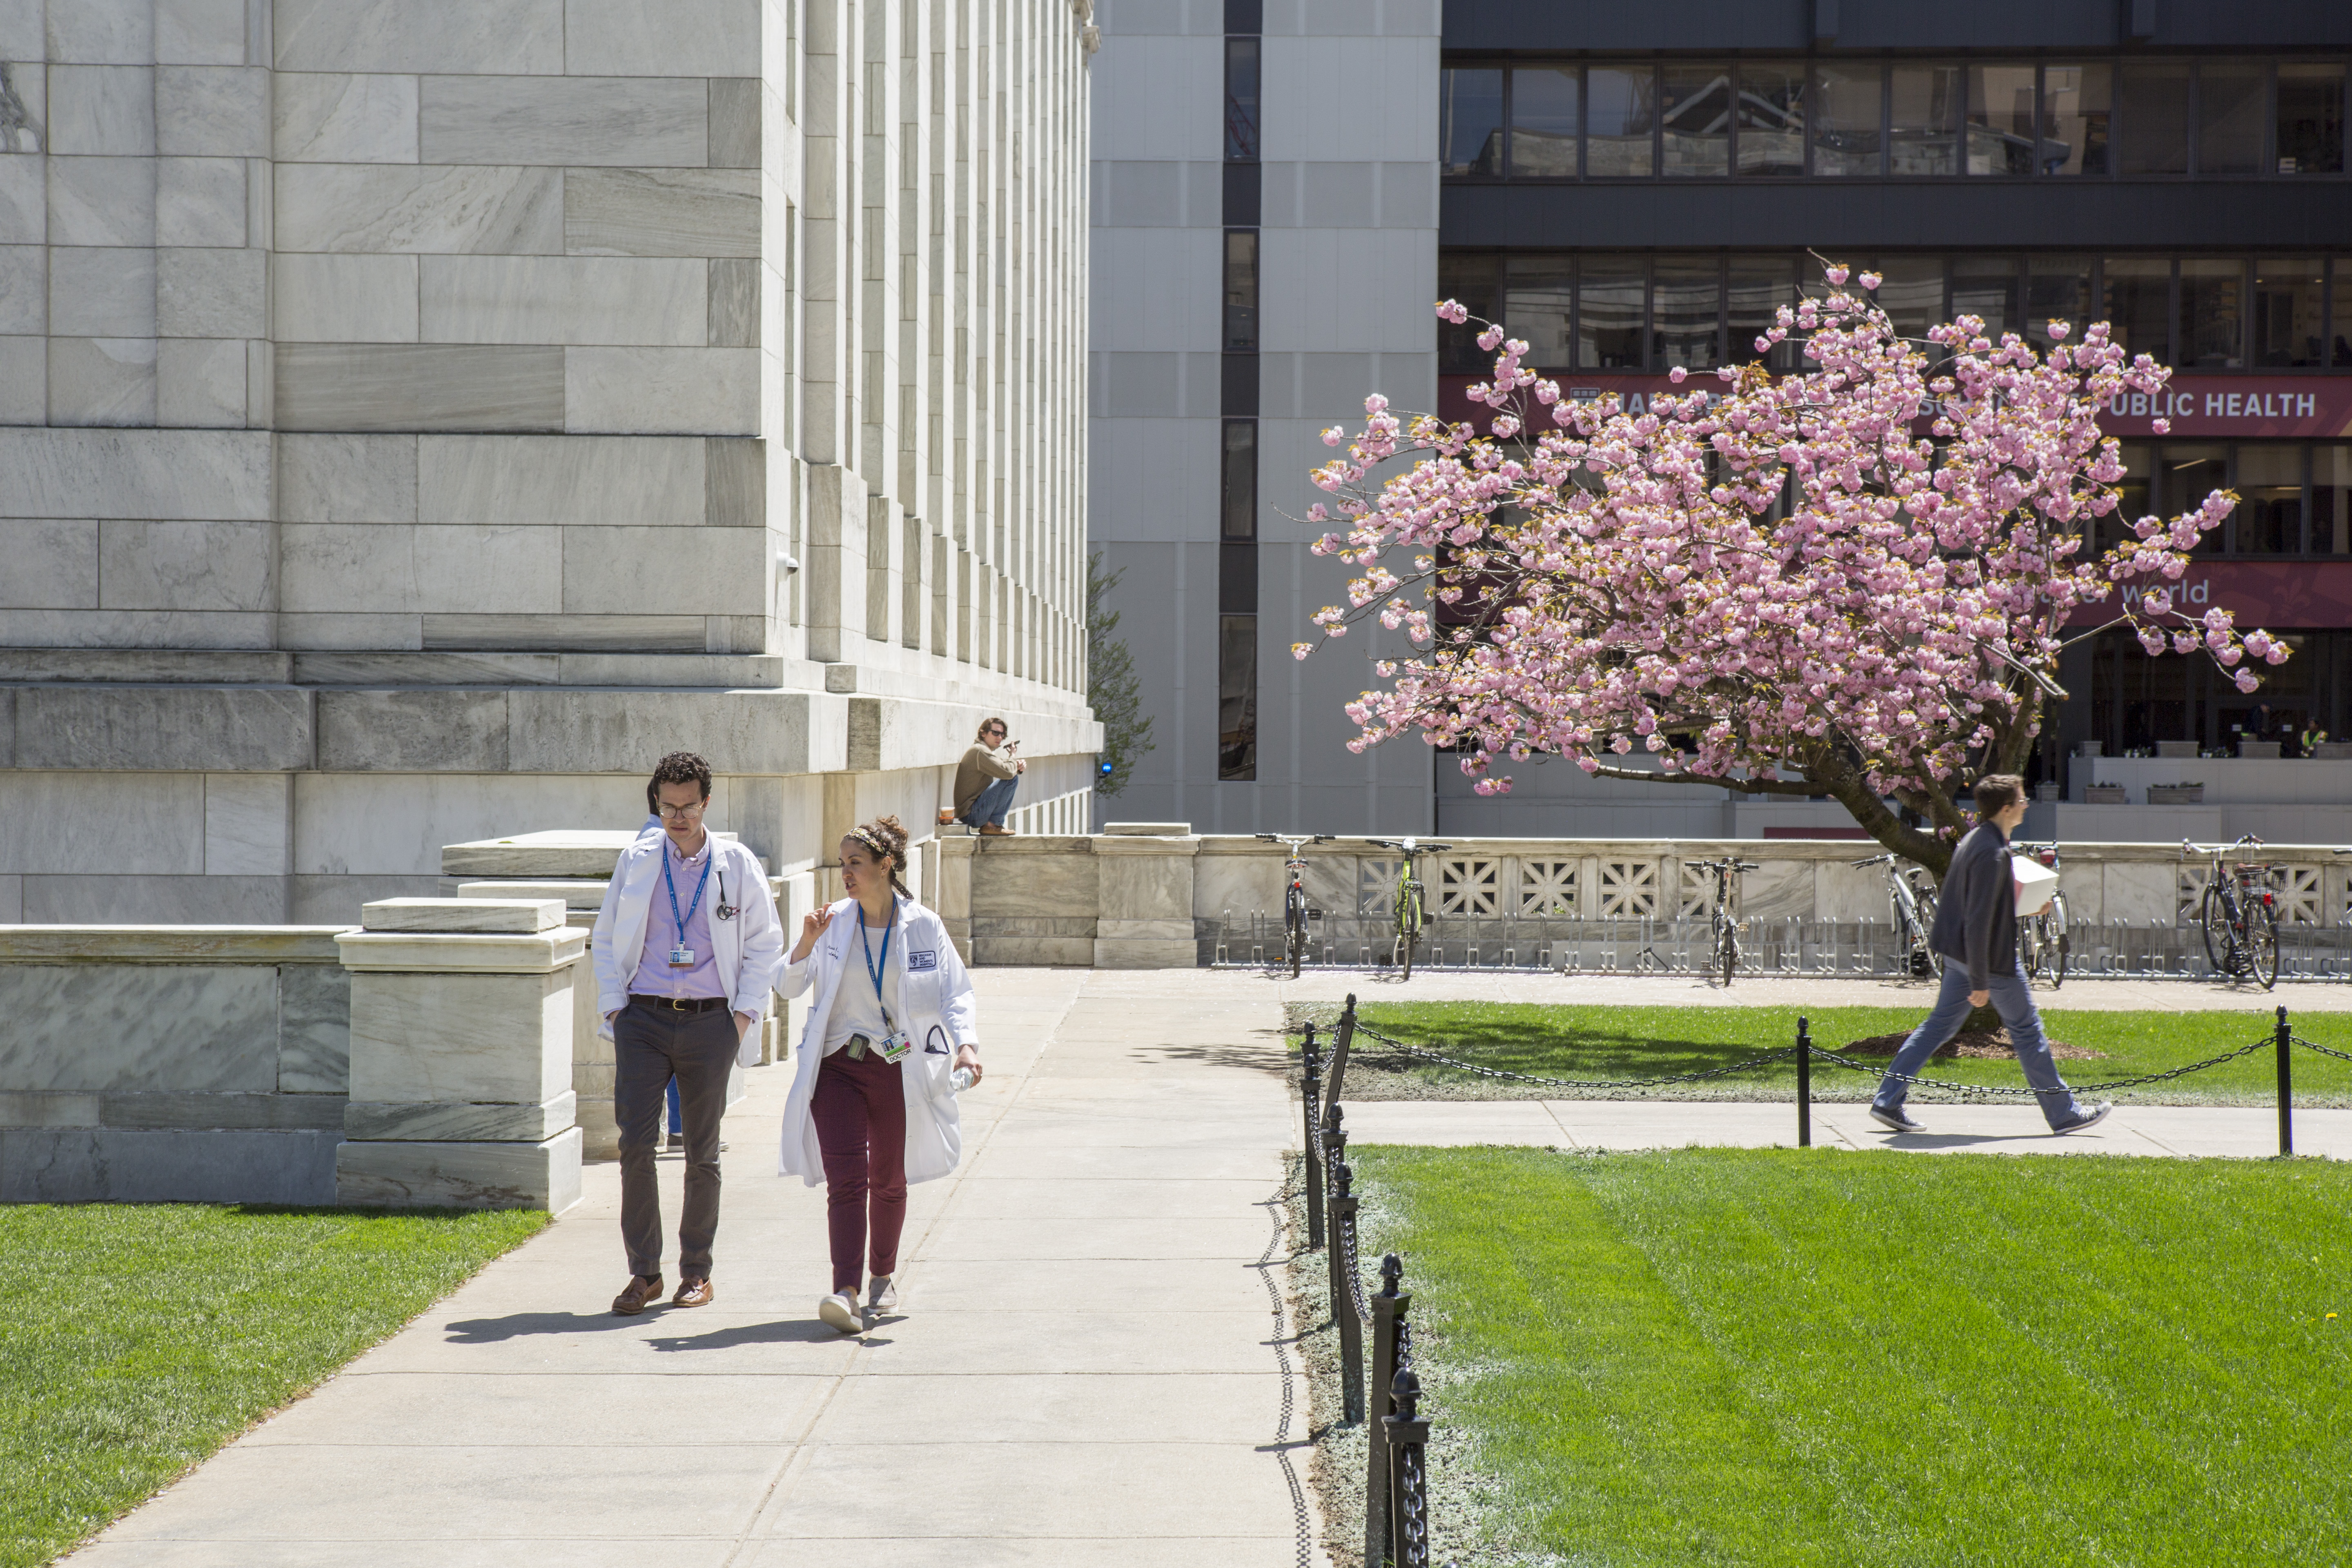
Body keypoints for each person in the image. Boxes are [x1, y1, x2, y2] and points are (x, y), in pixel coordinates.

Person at [590, 752, 785, 1315]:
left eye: (689, 807)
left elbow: (764, 944)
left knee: (702, 1152)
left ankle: (696, 1272)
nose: (679, 818)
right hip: (644, 1019)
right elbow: (606, 939)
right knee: (634, 1146)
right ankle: (644, 1274)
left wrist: (743, 1016)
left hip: (710, 1021)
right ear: (657, 804)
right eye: (669, 807)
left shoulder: (737, 863)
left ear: (706, 803)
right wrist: (615, 1009)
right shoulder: (638, 859)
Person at [777, 815, 982, 1332]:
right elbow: (786, 986)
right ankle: (845, 1289)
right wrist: (804, 943)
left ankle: (882, 1277)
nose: (845, 873)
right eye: (842, 863)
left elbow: (955, 992)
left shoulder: (924, 926)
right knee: (846, 1182)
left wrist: (967, 1047)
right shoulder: (832, 922)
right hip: (837, 1065)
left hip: (898, 1067)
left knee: (888, 1179)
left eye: (856, 864)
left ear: (886, 866)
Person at [1870, 774, 2110, 1137]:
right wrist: (1981, 981)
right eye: (2022, 799)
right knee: (2028, 1031)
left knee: (1939, 1027)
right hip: (1989, 960)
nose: (2026, 804)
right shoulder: (1993, 852)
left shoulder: (1977, 840)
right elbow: (1979, 920)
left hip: (1961, 954)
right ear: (2007, 808)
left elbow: (1984, 904)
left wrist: (2028, 906)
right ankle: (2064, 1113)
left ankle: (1887, 1101)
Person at [952, 717, 1024, 835]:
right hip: (972, 814)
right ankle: (994, 825)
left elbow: (1003, 767)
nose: (1000, 738)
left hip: (972, 813)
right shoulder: (980, 751)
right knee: (1012, 779)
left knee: (1011, 777)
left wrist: (1016, 766)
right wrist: (1013, 757)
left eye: (1003, 735)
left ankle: (993, 825)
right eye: (996, 733)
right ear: (983, 733)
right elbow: (1009, 773)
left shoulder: (982, 751)